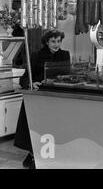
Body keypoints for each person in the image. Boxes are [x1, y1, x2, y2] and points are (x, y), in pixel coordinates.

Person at [15, 30, 70, 169]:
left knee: (51, 130)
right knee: (35, 128)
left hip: (56, 98)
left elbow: (68, 75)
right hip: (38, 98)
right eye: (53, 41)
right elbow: (25, 78)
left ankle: (39, 156)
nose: (56, 44)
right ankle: (33, 155)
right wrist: (31, 83)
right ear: (47, 42)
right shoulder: (36, 55)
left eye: (59, 41)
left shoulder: (65, 55)